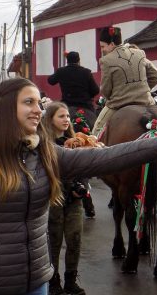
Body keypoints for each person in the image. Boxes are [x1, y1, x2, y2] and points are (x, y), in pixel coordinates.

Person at [0, 78, 157, 295]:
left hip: (38, 280)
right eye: (28, 102)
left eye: (39, 103)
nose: (38, 110)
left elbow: (107, 157)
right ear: (5, 107)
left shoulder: (44, 152)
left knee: (100, 129)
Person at [48, 51, 99, 218]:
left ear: (67, 60)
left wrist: (60, 74)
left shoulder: (62, 71)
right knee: (100, 128)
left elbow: (50, 80)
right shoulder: (85, 72)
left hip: (67, 106)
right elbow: (95, 90)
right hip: (86, 108)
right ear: (79, 60)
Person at [43, 102, 86, 295]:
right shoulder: (44, 143)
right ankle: (53, 282)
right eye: (61, 116)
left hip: (74, 201)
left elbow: (84, 167)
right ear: (50, 119)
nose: (66, 119)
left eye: (68, 116)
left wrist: (81, 186)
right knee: (54, 241)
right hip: (54, 200)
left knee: (75, 239)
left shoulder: (77, 141)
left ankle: (71, 280)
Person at [92, 26, 157, 135]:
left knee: (97, 130)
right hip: (146, 101)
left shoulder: (106, 61)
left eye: (102, 46)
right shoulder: (139, 53)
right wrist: (143, 89)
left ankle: (94, 149)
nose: (102, 50)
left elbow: (105, 90)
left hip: (118, 103)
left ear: (112, 44)